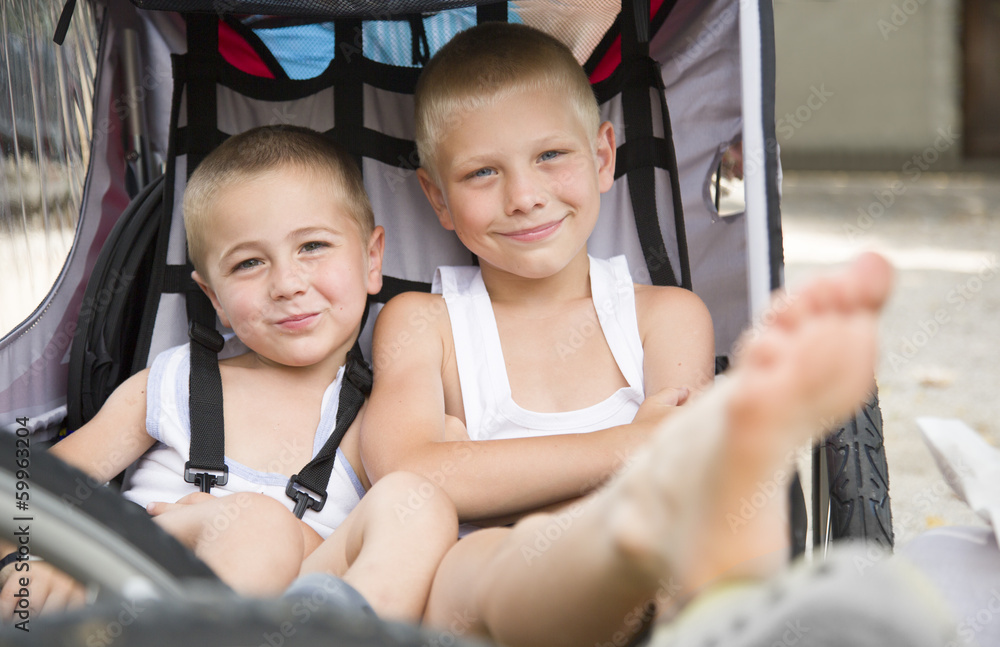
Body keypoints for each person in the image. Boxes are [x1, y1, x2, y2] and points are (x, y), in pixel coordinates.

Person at [360, 22, 893, 646]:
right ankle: (625, 541)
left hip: (643, 603)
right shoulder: (425, 323)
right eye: (482, 173)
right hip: (482, 608)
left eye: (551, 156)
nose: (525, 196)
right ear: (438, 198)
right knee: (487, 563)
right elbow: (404, 473)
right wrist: (634, 446)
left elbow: (681, 470)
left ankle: (664, 562)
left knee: (683, 534)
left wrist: (480, 473)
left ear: (604, 156)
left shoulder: (664, 317)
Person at [0, 126, 457, 623]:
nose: (286, 284)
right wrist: (43, 558)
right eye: (249, 263)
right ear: (214, 298)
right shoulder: (172, 386)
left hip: (297, 611)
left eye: (313, 247)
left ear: (372, 260)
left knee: (419, 502)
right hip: (139, 596)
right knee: (258, 522)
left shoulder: (387, 420)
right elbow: (24, 495)